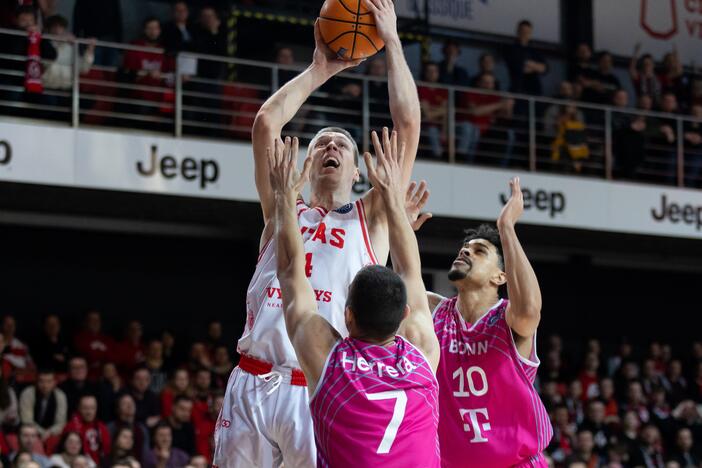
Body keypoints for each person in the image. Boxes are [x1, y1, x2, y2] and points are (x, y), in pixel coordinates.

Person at [214, 0, 421, 464]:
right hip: (251, 381)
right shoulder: (282, 208)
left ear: (356, 170)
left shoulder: (372, 218)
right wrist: (319, 68)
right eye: (321, 141)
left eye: (342, 144)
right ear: (307, 164)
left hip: (320, 385)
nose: (330, 145)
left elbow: (407, 127)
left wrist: (392, 42)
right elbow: (266, 123)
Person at [268, 129, 439, 466]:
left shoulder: (330, 363)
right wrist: (392, 200)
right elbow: (410, 271)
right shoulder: (422, 353)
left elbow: (290, 273)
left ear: (346, 317)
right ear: (405, 313)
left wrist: (285, 199)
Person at [421, 177, 553, 466]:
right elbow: (392, 286)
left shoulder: (508, 319)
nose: (465, 251)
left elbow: (530, 309)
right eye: (465, 248)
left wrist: (507, 229)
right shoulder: (434, 310)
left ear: (499, 278)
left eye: (480, 251)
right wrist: (399, 225)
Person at [457, 72, 515, 164]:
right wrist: (500, 105)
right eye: (485, 82)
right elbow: (475, 112)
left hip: (488, 130)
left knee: (509, 133)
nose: (488, 85)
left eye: (491, 82)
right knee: (471, 129)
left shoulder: (496, 97)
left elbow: (506, 118)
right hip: (471, 126)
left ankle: (503, 165)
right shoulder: (470, 93)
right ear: (478, 83)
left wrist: (509, 106)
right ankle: (463, 161)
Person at [42, 15, 95, 92]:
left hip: (67, 88)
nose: (57, 30)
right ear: (49, 29)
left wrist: (90, 50)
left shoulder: (70, 47)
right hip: (48, 86)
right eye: (54, 26)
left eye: (60, 27)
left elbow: (83, 69)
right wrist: (60, 43)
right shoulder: (45, 44)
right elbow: (45, 63)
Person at [19, 370, 67, 441]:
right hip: (31, 432)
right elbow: (27, 420)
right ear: (36, 382)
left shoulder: (60, 396)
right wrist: (42, 432)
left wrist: (49, 432)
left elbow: (61, 423)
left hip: (51, 433)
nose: (45, 385)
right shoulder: (28, 393)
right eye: (41, 381)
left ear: (55, 382)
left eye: (49, 381)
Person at [62, 395, 110, 465]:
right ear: (79, 408)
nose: (89, 412)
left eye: (92, 408)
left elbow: (106, 452)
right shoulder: (71, 427)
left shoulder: (101, 427)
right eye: (85, 408)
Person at [504, 20, 547, 96]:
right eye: (523, 31)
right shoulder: (511, 49)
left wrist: (532, 65)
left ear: (530, 34)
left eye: (527, 32)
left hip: (535, 90)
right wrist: (534, 66)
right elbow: (517, 67)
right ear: (518, 32)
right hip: (518, 90)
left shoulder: (535, 51)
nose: (525, 34)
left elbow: (545, 68)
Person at [106, 393, 150, 463]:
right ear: (118, 408)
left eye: (131, 402)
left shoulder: (141, 428)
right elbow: (107, 452)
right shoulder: (111, 428)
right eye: (125, 403)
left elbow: (146, 455)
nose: (129, 405)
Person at [418, 61, 448, 159]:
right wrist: (441, 110)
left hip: (439, 126)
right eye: (429, 71)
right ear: (425, 73)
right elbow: (427, 115)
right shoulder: (420, 88)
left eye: (434, 71)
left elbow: (446, 113)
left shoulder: (443, 91)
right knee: (433, 130)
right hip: (423, 126)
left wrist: (444, 131)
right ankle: (438, 157)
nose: (432, 74)